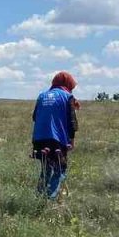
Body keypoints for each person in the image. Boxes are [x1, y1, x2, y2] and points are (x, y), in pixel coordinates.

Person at [31, 71, 80, 199]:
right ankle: (49, 200)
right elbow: (72, 121)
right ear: (67, 83)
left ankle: (39, 196)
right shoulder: (68, 97)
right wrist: (71, 140)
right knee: (60, 170)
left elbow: (34, 117)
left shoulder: (41, 96)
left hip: (39, 139)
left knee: (46, 169)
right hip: (57, 139)